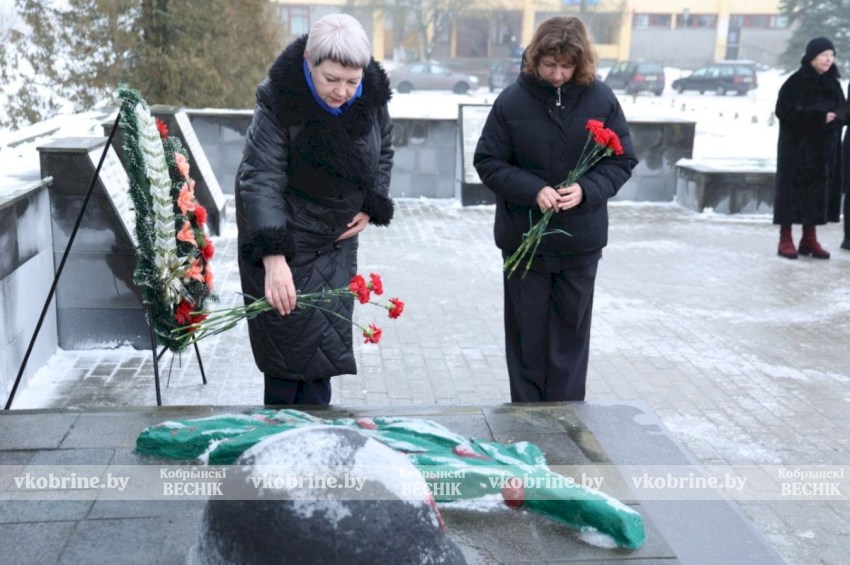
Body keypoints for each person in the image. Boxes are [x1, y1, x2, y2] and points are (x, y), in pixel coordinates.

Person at [473, 16, 637, 402]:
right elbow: (488, 161)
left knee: (569, 338)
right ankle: (526, 417)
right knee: (527, 337)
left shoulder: (602, 99)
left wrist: (586, 188)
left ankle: (566, 418)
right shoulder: (512, 100)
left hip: (580, 244)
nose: (558, 74)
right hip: (524, 241)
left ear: (581, 63)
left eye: (567, 66)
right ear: (535, 59)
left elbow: (622, 159)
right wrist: (534, 191)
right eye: (550, 65)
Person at [235, 13, 394, 405]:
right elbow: (260, 179)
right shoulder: (279, 102)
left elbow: (385, 149)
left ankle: (317, 458)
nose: (342, 91)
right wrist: (273, 259)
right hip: (285, 242)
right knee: (288, 364)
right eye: (331, 79)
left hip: (335, 246)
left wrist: (373, 202)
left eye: (351, 81)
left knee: (320, 363)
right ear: (309, 60)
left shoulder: (370, 97)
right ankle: (279, 456)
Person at [773, 36, 845, 259]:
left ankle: (809, 238)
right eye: (824, 55)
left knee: (816, 195)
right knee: (791, 193)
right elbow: (784, 111)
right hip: (797, 150)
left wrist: (840, 116)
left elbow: (842, 109)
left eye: (831, 55)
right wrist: (818, 118)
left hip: (824, 152)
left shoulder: (833, 83)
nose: (828, 60)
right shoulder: (796, 82)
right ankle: (785, 238)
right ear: (812, 56)